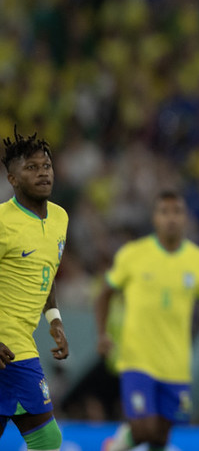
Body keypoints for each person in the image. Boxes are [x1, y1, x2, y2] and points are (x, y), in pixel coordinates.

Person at [96, 190, 199, 451]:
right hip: (136, 358)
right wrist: (102, 334)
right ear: (155, 218)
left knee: (160, 436)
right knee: (144, 428)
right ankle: (113, 446)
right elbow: (104, 294)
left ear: (185, 218)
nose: (171, 218)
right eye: (164, 212)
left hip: (176, 363)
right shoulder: (133, 254)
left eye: (177, 212)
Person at [0, 128, 69, 451]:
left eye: (46, 166)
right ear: (12, 179)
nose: (43, 172)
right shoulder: (3, 221)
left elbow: (47, 270)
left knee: (46, 438)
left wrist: (54, 319)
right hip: (9, 346)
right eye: (31, 167)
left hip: (19, 344)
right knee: (46, 438)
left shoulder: (60, 218)